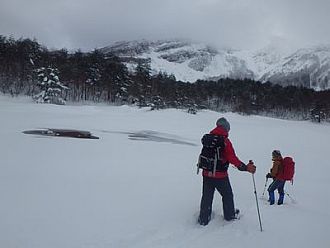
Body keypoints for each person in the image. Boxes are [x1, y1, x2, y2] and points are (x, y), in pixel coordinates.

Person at [198, 117, 256, 226]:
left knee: (206, 196)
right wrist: (245, 167)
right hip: (220, 175)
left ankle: (203, 218)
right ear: (226, 128)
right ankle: (229, 215)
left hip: (206, 174)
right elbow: (232, 158)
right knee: (227, 195)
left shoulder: (208, 138)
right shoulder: (225, 141)